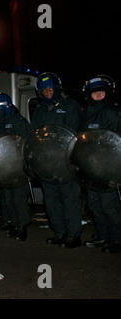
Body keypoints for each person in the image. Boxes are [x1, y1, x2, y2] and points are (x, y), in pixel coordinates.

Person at [30, 72, 83, 248]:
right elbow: (34, 134)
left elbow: (71, 131)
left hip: (66, 162)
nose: (47, 93)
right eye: (44, 91)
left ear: (57, 89)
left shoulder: (70, 106)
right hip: (47, 164)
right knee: (51, 201)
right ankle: (59, 232)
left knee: (70, 200)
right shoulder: (40, 110)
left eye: (50, 89)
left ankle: (73, 235)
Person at [79, 75, 121, 253]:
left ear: (107, 93)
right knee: (95, 205)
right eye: (94, 93)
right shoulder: (86, 112)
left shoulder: (112, 112)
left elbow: (114, 141)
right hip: (91, 166)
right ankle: (103, 236)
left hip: (107, 167)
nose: (98, 95)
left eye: (101, 92)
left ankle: (117, 240)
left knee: (109, 206)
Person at [0, 93, 31, 241]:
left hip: (18, 168)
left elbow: (26, 145)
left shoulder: (18, 122)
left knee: (19, 199)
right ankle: (14, 224)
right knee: (8, 199)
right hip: (4, 169)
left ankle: (23, 227)